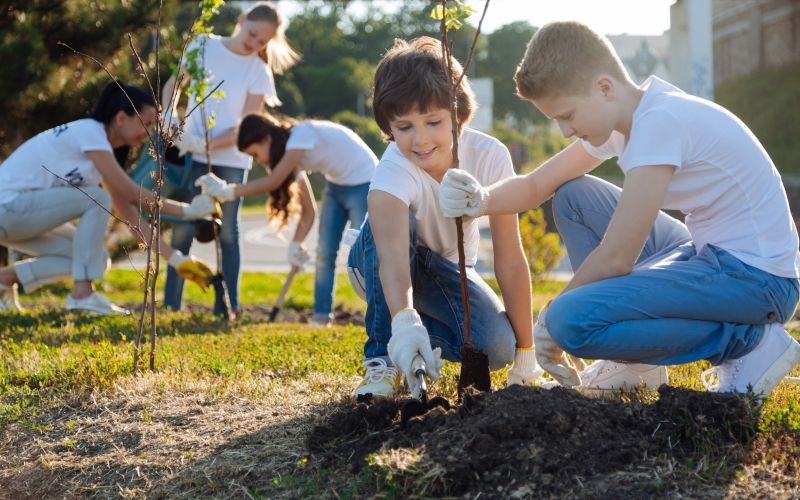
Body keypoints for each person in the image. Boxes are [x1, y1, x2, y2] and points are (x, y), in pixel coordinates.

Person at [439, 21, 800, 398]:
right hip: (711, 254)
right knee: (573, 196)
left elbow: (616, 258)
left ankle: (748, 343)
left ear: (605, 87)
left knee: (570, 321)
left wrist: (550, 320)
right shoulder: (631, 117)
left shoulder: (658, 124)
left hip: (757, 279)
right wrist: (480, 200)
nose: (564, 130)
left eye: (567, 116)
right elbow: (536, 185)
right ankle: (636, 367)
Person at [344, 37, 543, 400]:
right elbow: (391, 258)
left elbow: (511, 258)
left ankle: (408, 330)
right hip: (380, 262)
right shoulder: (392, 172)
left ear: (459, 115)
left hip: (442, 271)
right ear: (389, 126)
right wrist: (403, 321)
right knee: (390, 229)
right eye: (404, 127)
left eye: (434, 122)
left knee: (497, 347)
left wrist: (526, 356)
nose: (420, 140)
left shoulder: (489, 157)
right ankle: (383, 356)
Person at [0, 81, 218, 315]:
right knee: (97, 198)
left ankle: (5, 279)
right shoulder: (90, 132)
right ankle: (82, 296)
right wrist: (190, 211)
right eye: (145, 124)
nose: (148, 134)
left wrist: (175, 259)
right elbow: (133, 194)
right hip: (8, 209)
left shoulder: (99, 158)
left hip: (17, 218)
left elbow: (130, 216)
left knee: (97, 259)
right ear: (121, 118)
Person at [161, 1, 299, 314]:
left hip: (232, 160)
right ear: (241, 21)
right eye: (252, 34)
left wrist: (203, 143)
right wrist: (169, 114)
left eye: (263, 41)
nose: (254, 44)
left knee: (227, 232)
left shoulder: (259, 71)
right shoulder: (203, 45)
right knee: (184, 227)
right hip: (188, 153)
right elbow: (174, 84)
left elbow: (246, 128)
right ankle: (171, 304)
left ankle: (229, 306)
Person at [196, 112, 377, 326]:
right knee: (324, 255)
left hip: (366, 182)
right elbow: (309, 212)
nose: (258, 161)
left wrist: (228, 191)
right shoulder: (292, 156)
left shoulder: (300, 136)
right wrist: (296, 245)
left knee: (364, 255)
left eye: (255, 154)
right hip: (336, 185)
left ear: (266, 139)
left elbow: (273, 181)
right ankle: (320, 318)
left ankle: (377, 317)